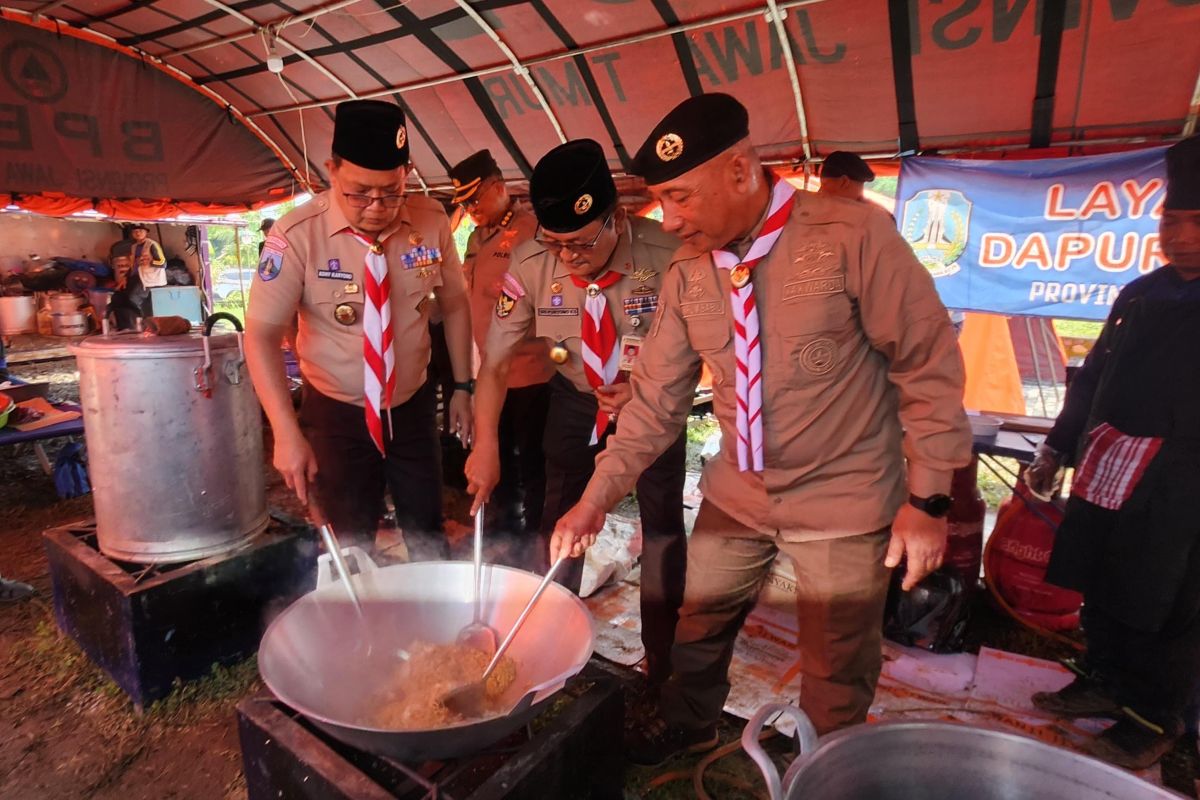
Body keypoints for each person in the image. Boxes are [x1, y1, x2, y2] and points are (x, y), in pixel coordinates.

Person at [550, 94, 971, 764]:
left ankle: (825, 767)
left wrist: (927, 501)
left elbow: (927, 368)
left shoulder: (852, 237)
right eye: (660, 200)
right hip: (738, 491)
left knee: (836, 660)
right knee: (700, 621)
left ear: (741, 172)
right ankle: (687, 724)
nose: (671, 218)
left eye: (681, 197)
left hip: (845, 499)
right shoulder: (691, 272)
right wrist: (594, 499)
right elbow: (655, 402)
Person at [465, 139, 688, 690]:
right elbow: (494, 363)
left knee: (661, 530)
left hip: (654, 407)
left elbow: (714, 349)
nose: (568, 256)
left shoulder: (672, 255)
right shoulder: (530, 262)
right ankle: (550, 648)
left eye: (583, 242)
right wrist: (486, 443)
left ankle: (660, 664)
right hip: (573, 398)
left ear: (616, 216)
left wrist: (648, 386)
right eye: (555, 242)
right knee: (559, 518)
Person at [1026, 134, 1200, 770]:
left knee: (1169, 600)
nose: (1179, 236)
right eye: (1171, 220)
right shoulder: (1141, 294)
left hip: (1183, 487)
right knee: (1102, 578)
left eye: (1196, 223)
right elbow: (1093, 378)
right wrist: (1056, 448)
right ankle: (1102, 676)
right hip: (1110, 467)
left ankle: (1154, 716)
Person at [244, 99, 474, 560]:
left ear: (407, 173)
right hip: (336, 412)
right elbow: (262, 334)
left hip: (410, 407)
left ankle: (434, 624)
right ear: (332, 170)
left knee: (427, 529)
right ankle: (360, 628)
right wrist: (286, 433)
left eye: (391, 192)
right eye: (359, 192)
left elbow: (455, 303)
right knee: (349, 540)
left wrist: (464, 386)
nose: (376, 207)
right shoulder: (296, 235)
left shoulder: (430, 222)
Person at [450, 149, 551, 568]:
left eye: (476, 200)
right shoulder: (477, 238)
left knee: (533, 464)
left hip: (531, 373)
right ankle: (503, 536)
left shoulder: (533, 232)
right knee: (495, 456)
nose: (471, 210)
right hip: (488, 373)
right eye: (465, 204)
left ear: (499, 188)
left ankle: (537, 545)